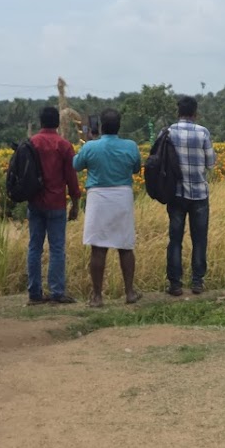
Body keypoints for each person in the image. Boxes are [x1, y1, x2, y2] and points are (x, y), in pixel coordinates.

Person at [71, 108, 142, 307]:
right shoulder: (130, 146)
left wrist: (85, 144)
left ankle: (97, 296)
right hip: (122, 196)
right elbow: (136, 168)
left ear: (101, 127)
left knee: (98, 248)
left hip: (98, 197)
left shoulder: (91, 147)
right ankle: (129, 292)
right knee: (125, 246)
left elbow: (76, 165)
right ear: (119, 126)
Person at [26, 106, 81, 305]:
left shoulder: (31, 143)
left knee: (34, 247)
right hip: (57, 203)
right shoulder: (64, 145)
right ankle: (57, 292)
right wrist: (75, 203)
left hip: (34, 201)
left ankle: (34, 293)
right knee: (57, 248)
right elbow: (71, 178)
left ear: (40, 122)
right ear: (57, 123)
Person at [165, 96, 216, 296]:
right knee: (199, 239)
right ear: (195, 113)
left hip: (175, 194)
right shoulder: (203, 132)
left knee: (175, 239)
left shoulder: (167, 132)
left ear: (178, 112)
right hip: (199, 194)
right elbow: (211, 164)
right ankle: (197, 282)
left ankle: (175, 284)